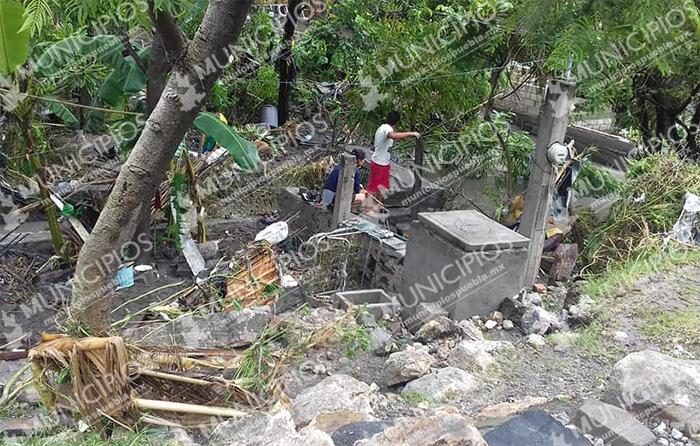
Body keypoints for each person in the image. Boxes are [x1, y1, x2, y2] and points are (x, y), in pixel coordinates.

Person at [366, 111, 421, 206]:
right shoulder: (386, 129)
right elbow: (393, 136)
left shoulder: (383, 127)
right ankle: (368, 207)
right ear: (396, 122)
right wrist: (411, 133)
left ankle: (377, 206)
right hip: (379, 163)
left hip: (383, 163)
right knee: (374, 187)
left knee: (382, 188)